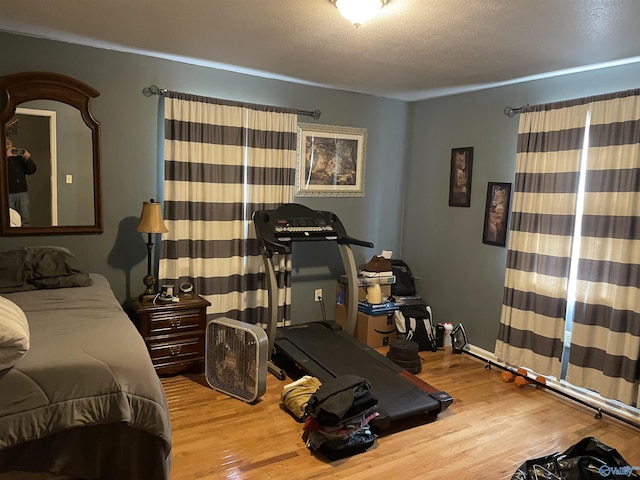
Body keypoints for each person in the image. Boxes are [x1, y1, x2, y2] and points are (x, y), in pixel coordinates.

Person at [6, 138, 35, 225]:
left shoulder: (18, 157)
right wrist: (6, 157)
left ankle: (26, 237)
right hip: (7, 194)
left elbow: (31, 170)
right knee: (10, 220)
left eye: (9, 142)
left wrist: (27, 158)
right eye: (6, 143)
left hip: (22, 193)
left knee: (25, 219)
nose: (8, 145)